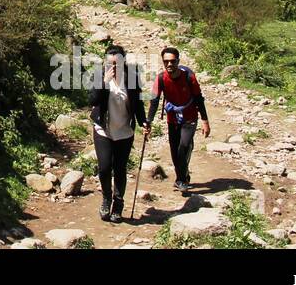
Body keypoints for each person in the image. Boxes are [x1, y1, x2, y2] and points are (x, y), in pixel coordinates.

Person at [89, 44, 146, 222]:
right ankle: (106, 197)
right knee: (105, 167)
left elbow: (138, 104)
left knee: (120, 169)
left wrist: (143, 121)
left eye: (117, 64)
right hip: (103, 130)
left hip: (124, 131)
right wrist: (104, 82)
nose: (113, 67)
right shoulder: (99, 76)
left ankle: (118, 204)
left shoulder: (132, 79)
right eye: (110, 64)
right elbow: (92, 99)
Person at [144, 46, 210, 194]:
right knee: (175, 152)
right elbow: (154, 101)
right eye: (166, 61)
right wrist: (148, 122)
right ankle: (184, 174)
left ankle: (181, 180)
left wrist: (205, 121)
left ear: (178, 61)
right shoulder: (161, 78)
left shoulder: (189, 77)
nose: (169, 65)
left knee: (183, 147)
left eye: (172, 61)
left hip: (189, 117)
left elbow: (199, 99)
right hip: (172, 118)